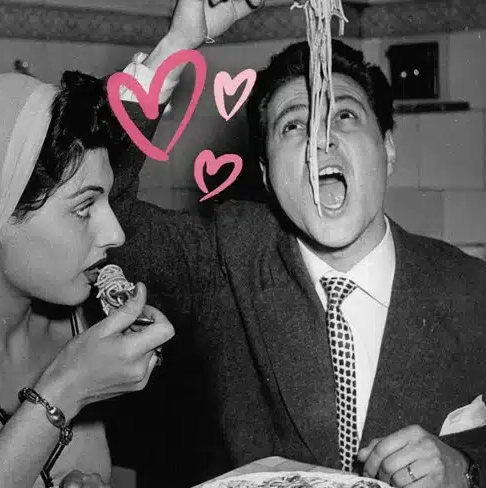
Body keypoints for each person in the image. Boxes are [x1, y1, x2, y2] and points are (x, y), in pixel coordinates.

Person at [0, 2, 264, 486]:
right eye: (83, 208)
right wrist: (64, 391)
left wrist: (177, 45)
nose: (115, 233)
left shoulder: (74, 314)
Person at [105, 39, 486, 488]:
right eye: (292, 127)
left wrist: (468, 466)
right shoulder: (225, 252)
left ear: (388, 150)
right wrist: (178, 42)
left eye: (344, 115)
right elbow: (99, 208)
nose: (318, 141)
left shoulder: (470, 288)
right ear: (266, 175)